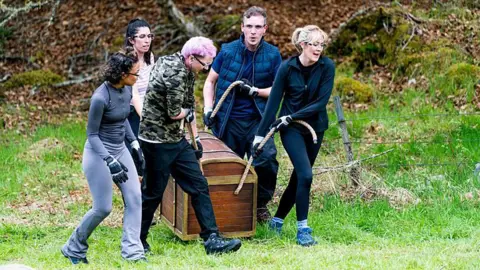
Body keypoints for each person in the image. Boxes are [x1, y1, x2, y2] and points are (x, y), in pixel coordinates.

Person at [138, 36, 242, 255]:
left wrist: (196, 141)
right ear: (191, 57)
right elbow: (176, 112)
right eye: (204, 64)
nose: (205, 69)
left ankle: (212, 239)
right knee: (153, 193)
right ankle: (137, 239)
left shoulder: (187, 69)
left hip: (176, 140)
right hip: (156, 141)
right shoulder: (174, 72)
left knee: (198, 185)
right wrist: (188, 114)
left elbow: (189, 106)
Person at [61, 48, 146, 264]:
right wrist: (110, 160)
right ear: (121, 74)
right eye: (135, 74)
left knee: (135, 199)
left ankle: (133, 252)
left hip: (120, 148)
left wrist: (134, 143)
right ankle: (73, 247)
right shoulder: (100, 98)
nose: (138, 77)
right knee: (103, 207)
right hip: (99, 153)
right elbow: (92, 134)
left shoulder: (127, 90)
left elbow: (123, 117)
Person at [253, 25, 335, 246]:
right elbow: (273, 103)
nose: (318, 49)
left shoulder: (327, 67)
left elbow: (320, 103)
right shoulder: (287, 68)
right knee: (306, 175)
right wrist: (259, 137)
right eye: (314, 44)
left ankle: (277, 221)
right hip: (291, 130)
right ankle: (303, 229)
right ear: (303, 45)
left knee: (299, 176)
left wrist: (292, 115)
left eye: (322, 45)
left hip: (315, 128)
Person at [202, 6, 282, 223]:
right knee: (224, 167)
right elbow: (210, 82)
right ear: (242, 28)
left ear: (265, 29)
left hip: (258, 121)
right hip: (227, 121)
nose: (253, 32)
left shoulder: (273, 55)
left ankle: (259, 205)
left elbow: (278, 89)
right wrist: (207, 109)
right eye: (249, 26)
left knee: (266, 162)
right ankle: (225, 209)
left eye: (258, 27)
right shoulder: (227, 51)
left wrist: (255, 91)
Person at [124, 18, 155, 176]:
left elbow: (151, 88)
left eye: (149, 36)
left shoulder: (150, 58)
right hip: (130, 114)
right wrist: (147, 119)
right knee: (135, 160)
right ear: (131, 40)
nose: (147, 40)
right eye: (142, 37)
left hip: (147, 109)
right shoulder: (127, 60)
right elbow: (134, 94)